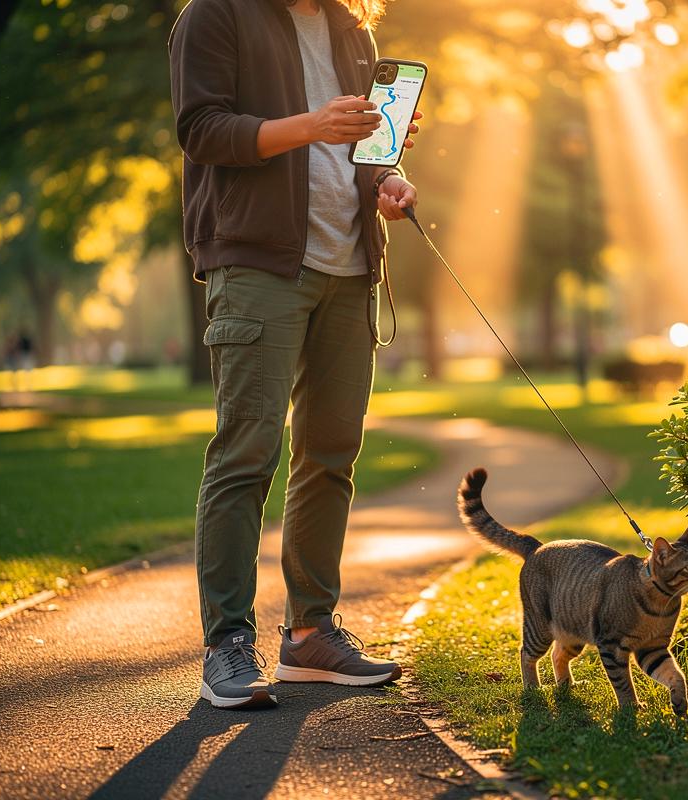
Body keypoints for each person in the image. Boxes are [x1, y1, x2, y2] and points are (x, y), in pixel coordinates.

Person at [169, 0, 422, 709]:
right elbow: (200, 130)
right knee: (246, 454)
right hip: (259, 265)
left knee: (330, 456)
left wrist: (386, 179)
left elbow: (361, 151)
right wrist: (312, 124)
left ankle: (310, 634)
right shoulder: (215, 14)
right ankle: (227, 645)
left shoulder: (351, 27)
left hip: (351, 266)